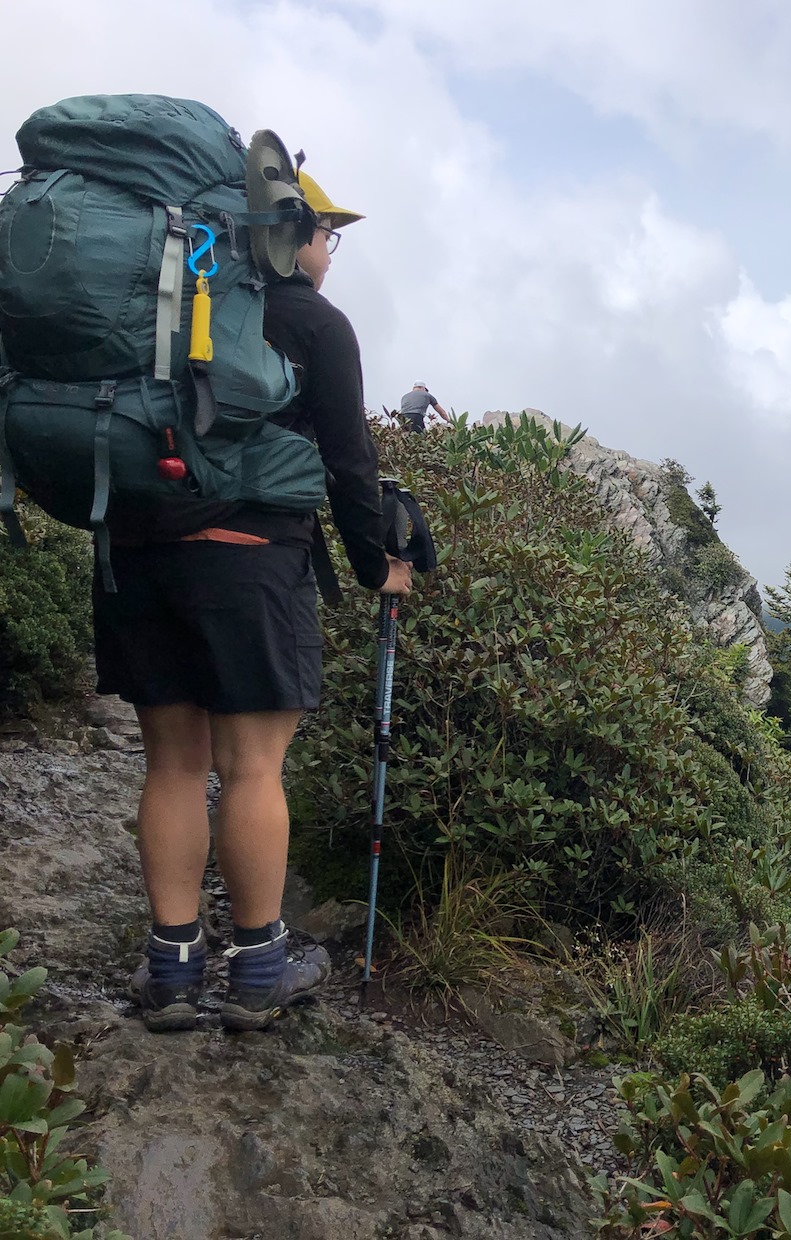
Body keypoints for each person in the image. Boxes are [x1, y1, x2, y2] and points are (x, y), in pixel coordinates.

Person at [115, 166, 413, 1033]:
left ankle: (171, 969)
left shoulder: (165, 301)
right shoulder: (314, 322)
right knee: (251, 767)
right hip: (248, 562)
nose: (332, 248)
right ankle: (258, 968)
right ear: (294, 232)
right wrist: (377, 566)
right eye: (329, 231)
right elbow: (351, 464)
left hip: (138, 549)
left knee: (172, 761)